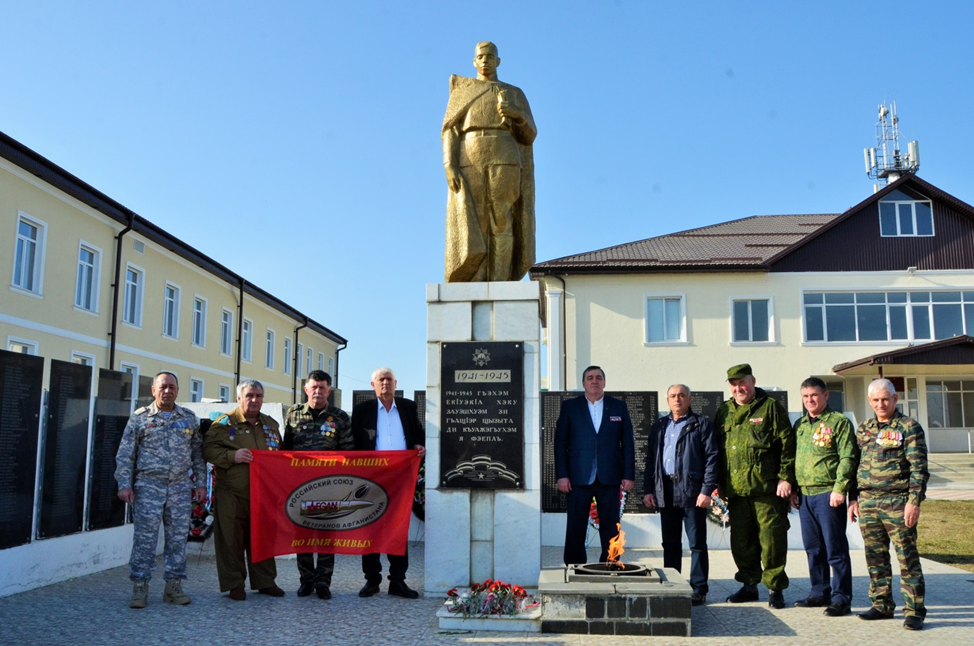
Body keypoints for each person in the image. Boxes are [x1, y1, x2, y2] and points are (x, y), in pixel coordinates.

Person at [442, 40, 537, 282]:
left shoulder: (514, 93)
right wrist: (449, 164)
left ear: (498, 61)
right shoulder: (462, 92)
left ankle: (500, 278)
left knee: (501, 216)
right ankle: (476, 276)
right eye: (481, 57)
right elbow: (449, 129)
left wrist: (518, 114)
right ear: (474, 61)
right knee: (476, 216)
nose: (486, 61)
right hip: (470, 154)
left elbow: (529, 135)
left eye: (490, 57)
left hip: (505, 154)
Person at [115, 371, 207, 608]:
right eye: (163, 387)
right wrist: (124, 484)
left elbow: (198, 455)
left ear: (177, 391)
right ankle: (140, 586)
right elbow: (126, 455)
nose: (168, 391)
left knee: (177, 539)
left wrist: (200, 483)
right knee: (144, 539)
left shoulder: (189, 419)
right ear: (153, 390)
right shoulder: (139, 418)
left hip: (179, 487)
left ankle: (173, 586)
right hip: (148, 487)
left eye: (172, 387)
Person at [848, 378, 929, 631]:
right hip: (868, 501)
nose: (880, 404)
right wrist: (853, 498)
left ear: (895, 399)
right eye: (876, 400)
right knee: (875, 557)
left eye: (885, 399)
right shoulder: (864, 429)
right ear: (869, 401)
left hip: (898, 502)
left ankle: (914, 611)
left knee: (907, 557)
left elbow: (919, 469)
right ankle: (882, 605)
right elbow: (855, 465)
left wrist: (914, 502)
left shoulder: (909, 427)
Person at [714, 363, 795, 609]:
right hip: (737, 492)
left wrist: (785, 477)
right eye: (734, 384)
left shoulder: (770, 407)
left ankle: (775, 588)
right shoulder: (724, 411)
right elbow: (717, 450)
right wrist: (719, 483)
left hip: (766, 490)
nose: (739, 388)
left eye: (743, 383)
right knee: (741, 543)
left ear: (753, 381)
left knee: (772, 541)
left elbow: (787, 444)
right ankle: (749, 585)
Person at [202, 379, 285, 601]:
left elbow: (281, 454)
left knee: (263, 539)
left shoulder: (271, 424)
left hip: (263, 494)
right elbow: (208, 450)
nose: (254, 400)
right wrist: (232, 456)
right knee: (231, 540)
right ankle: (235, 584)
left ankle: (265, 582)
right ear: (239, 398)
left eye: (258, 396)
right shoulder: (224, 423)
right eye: (249, 396)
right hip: (232, 493)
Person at [351, 367, 426, 599]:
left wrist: (419, 444)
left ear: (396, 383)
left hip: (400, 479)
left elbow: (418, 432)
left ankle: (398, 581)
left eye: (389, 379)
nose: (385, 383)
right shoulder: (362, 410)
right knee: (370, 528)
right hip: (371, 479)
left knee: (398, 529)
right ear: (373, 385)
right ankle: (372, 580)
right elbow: (354, 442)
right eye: (381, 379)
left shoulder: (408, 407)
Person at [642, 384, 719, 606]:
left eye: (682, 395)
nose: (677, 399)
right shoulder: (660, 426)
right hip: (665, 490)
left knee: (697, 543)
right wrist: (649, 490)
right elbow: (651, 460)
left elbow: (712, 458)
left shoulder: (701, 424)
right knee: (670, 543)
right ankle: (672, 585)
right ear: (668, 400)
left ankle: (698, 589)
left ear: (690, 399)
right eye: (673, 396)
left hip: (692, 491)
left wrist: (706, 490)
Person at [281, 370, 353, 600]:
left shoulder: (340, 417)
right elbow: (285, 450)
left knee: (326, 534)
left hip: (328, 486)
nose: (318, 391)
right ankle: (306, 580)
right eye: (314, 387)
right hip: (299, 486)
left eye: (322, 388)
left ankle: (323, 581)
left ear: (329, 391)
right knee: (301, 532)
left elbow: (349, 454)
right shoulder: (293, 414)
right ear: (306, 389)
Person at [554, 366, 636, 566]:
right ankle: (574, 566)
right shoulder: (570, 407)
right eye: (590, 378)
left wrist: (628, 474)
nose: (594, 381)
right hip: (578, 476)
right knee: (576, 525)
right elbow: (560, 443)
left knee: (611, 526)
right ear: (583, 383)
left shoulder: (618, 406)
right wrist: (562, 475)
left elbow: (627, 443)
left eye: (599, 377)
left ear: (604, 382)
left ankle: (610, 564)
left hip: (610, 476)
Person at [790, 377, 857, 617]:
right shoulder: (800, 425)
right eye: (805, 396)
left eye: (814, 395)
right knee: (813, 548)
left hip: (829, 494)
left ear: (825, 395)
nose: (809, 400)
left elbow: (847, 458)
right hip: (805, 495)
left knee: (835, 548)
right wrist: (794, 489)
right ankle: (819, 592)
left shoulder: (839, 422)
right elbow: (794, 458)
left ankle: (841, 598)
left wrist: (840, 489)